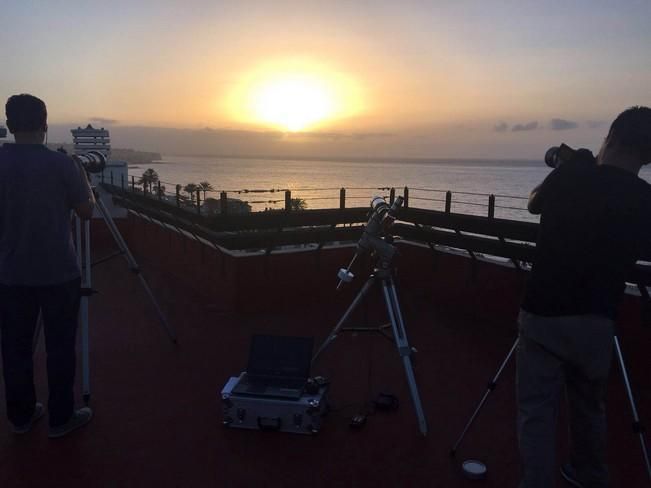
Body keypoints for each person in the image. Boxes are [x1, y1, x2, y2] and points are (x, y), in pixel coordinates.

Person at [517, 106, 651, 488]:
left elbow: (533, 203)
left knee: (536, 413)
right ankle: (590, 475)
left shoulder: (575, 173)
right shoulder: (644, 199)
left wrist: (570, 165)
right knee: (590, 408)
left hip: (542, 314)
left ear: (611, 136)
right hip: (597, 320)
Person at [0, 94, 95, 438]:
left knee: (14, 348)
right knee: (60, 348)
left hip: (10, 274)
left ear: (9, 125)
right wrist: (85, 186)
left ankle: (21, 417)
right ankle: (61, 418)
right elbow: (86, 212)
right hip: (59, 273)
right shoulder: (62, 164)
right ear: (45, 124)